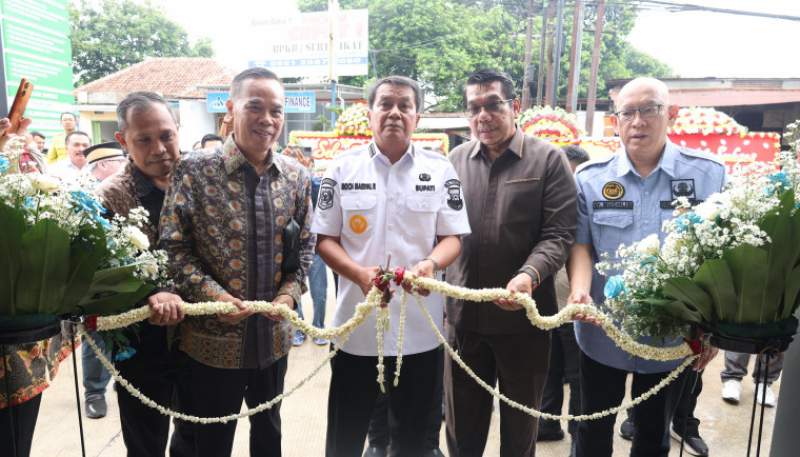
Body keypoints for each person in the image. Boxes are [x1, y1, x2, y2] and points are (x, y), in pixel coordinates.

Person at [312, 75, 470, 457]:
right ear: (370, 113)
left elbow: (453, 237)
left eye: (404, 105)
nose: (395, 113)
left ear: (417, 117)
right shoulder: (342, 169)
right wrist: (358, 274)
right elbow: (323, 240)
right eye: (385, 104)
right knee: (345, 436)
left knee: (415, 438)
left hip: (420, 330)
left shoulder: (439, 170)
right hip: (356, 329)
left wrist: (431, 263)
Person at [161, 67, 314, 457]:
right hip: (212, 344)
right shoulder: (194, 170)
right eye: (255, 107)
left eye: (276, 111)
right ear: (231, 108)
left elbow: (306, 247)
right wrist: (214, 296)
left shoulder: (295, 177)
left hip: (273, 342)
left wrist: (289, 296)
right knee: (208, 442)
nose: (267, 119)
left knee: (269, 435)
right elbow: (173, 248)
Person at [568, 77, 722, 457]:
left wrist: (713, 325)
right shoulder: (591, 179)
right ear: (616, 120)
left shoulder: (708, 176)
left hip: (672, 338)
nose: (637, 121)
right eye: (627, 112)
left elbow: (720, 259)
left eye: (648, 109)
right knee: (591, 431)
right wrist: (579, 290)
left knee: (654, 437)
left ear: (670, 114)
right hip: (601, 329)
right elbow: (582, 245)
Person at [444, 69, 577, 457]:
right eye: (474, 108)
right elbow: (439, 230)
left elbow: (559, 234)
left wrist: (528, 275)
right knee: (462, 429)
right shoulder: (453, 161)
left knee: (520, 432)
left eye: (493, 105)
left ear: (514, 106)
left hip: (525, 321)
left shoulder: (548, 159)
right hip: (464, 320)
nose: (482, 115)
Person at [93, 92, 188, 456]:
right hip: (140, 346)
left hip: (202, 340)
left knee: (197, 435)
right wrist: (149, 291)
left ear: (178, 129)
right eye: (144, 139)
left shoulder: (200, 182)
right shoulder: (110, 197)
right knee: (145, 442)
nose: (159, 148)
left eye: (166, 135)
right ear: (123, 140)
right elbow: (102, 276)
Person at [537, 145, 590, 447]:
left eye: (571, 173)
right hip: (547, 302)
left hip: (575, 303)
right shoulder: (547, 199)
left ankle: (578, 437)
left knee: (579, 374)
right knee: (548, 367)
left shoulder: (586, 203)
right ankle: (546, 420)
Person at [281, 147, 330, 347]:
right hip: (291, 248)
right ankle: (299, 329)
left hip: (316, 249)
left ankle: (318, 327)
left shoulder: (317, 185)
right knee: (294, 289)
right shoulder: (277, 187)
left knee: (320, 292)